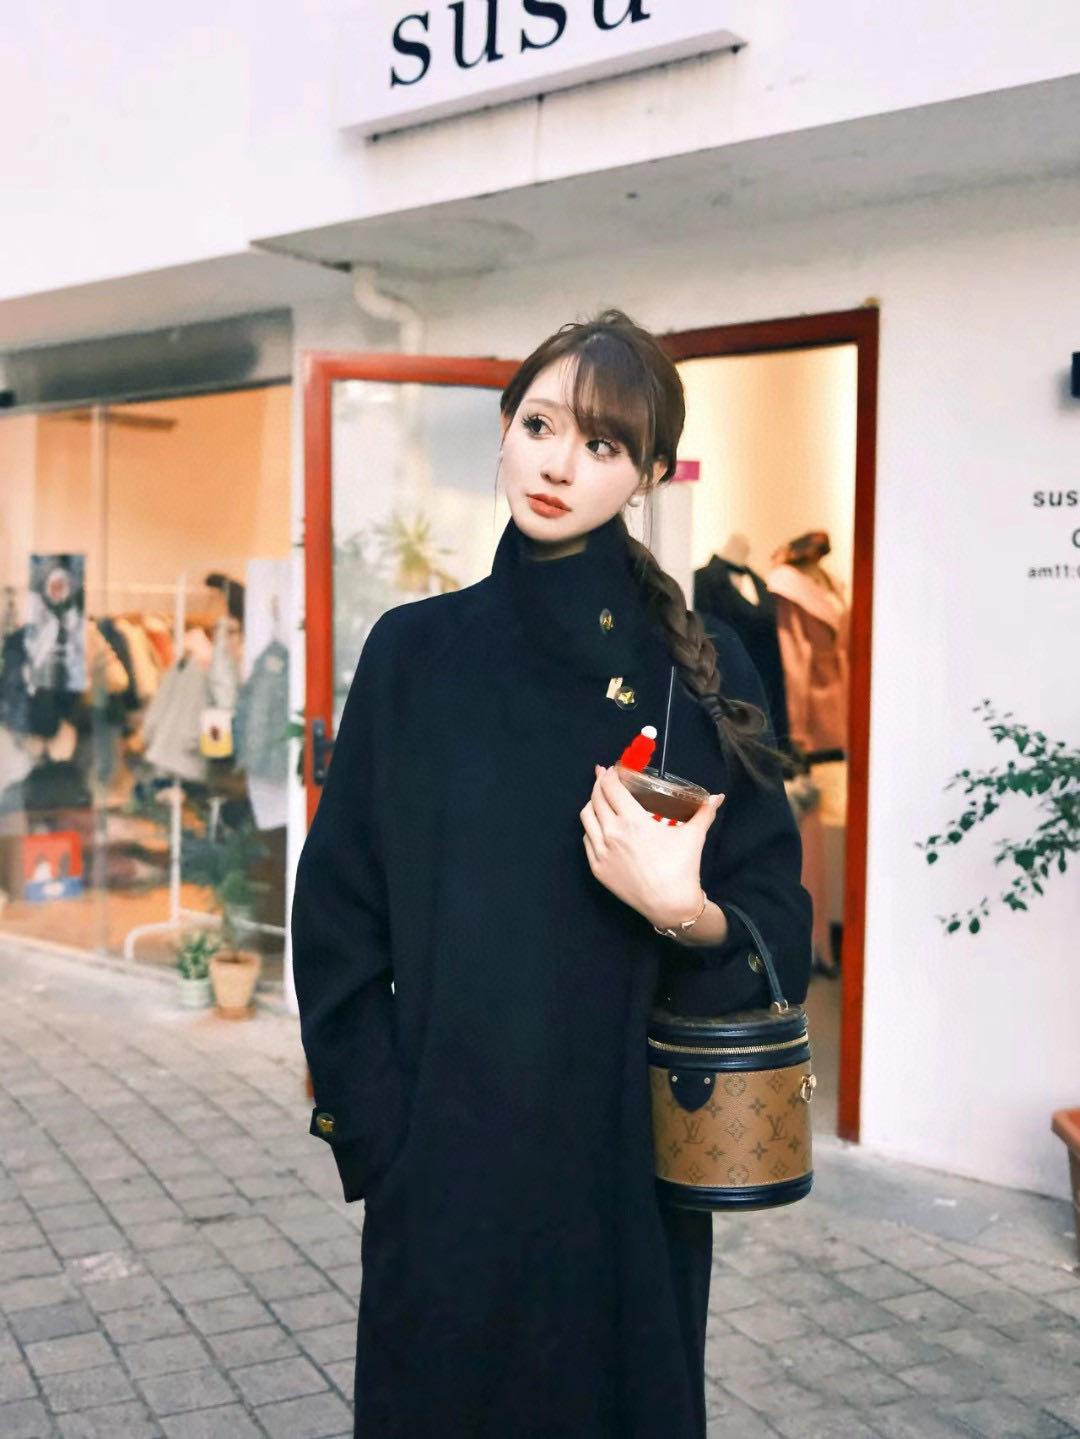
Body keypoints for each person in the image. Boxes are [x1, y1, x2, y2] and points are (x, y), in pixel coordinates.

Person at [291, 310, 812, 1438]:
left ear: (649, 474)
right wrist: (383, 1131)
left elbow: (776, 912)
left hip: (624, 1179)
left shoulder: (699, 670)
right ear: (504, 429)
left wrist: (685, 911)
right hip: (446, 1168)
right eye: (539, 425)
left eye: (603, 443)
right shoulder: (414, 653)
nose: (559, 463)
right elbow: (337, 914)